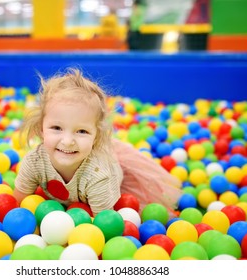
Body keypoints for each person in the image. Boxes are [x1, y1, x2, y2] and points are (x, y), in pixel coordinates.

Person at [13, 68, 182, 216]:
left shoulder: (98, 176)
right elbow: (17, 205)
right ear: (41, 129)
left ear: (96, 137)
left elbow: (103, 224)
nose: (68, 141)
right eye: (56, 128)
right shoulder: (34, 162)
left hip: (108, 172)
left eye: (82, 131)